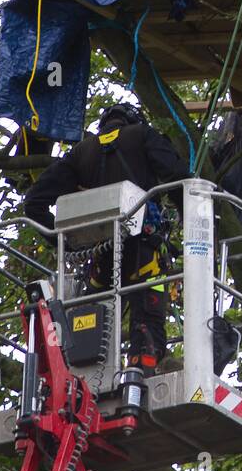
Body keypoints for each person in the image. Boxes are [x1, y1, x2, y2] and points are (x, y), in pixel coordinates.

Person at [24, 102, 183, 375]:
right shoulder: (143, 135)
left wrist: (66, 243)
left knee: (90, 322)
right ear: (132, 120)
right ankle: (142, 373)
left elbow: (34, 203)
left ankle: (87, 379)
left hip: (101, 259)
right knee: (147, 319)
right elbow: (179, 177)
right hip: (146, 254)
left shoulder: (80, 153)